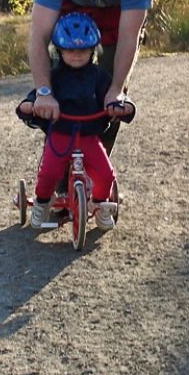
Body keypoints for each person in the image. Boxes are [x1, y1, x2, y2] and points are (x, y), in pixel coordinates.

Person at [27, 0, 152, 153]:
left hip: (116, 18)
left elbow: (129, 37)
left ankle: (98, 162)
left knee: (109, 98)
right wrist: (44, 92)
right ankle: (59, 159)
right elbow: (39, 35)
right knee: (61, 85)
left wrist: (116, 90)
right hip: (72, 15)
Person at [17, 13, 134, 229]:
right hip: (61, 135)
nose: (77, 55)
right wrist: (30, 105)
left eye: (83, 50)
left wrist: (123, 106)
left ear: (93, 50)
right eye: (70, 50)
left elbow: (113, 96)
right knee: (49, 172)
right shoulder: (53, 77)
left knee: (106, 174)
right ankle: (43, 202)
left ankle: (99, 203)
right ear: (59, 50)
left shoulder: (99, 77)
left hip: (89, 136)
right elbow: (38, 95)